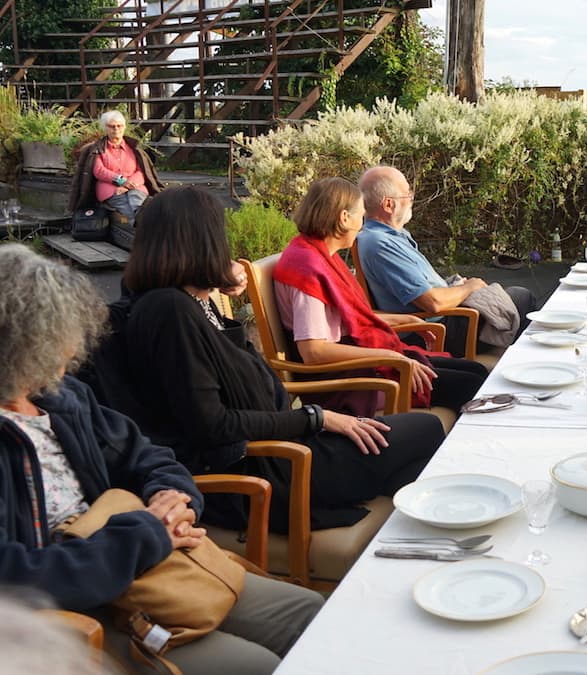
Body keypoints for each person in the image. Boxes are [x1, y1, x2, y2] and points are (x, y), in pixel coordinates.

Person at [0, 244, 322, 674]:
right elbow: (13, 576)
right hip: (74, 610)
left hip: (150, 564)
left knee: (309, 612)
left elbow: (148, 455)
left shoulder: (62, 399)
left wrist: (172, 497)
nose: (68, 352)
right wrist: (146, 534)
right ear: (20, 344)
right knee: (257, 665)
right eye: (56, 337)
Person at [109, 186, 443, 533]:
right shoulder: (170, 311)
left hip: (282, 445)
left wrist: (211, 287)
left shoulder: (183, 300)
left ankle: (392, 538)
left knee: (413, 462)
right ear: (203, 239)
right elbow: (214, 424)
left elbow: (224, 372)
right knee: (427, 432)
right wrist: (317, 418)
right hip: (272, 466)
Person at [274, 177, 487, 416]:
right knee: (472, 385)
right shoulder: (306, 269)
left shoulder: (319, 254)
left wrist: (403, 321)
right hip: (348, 377)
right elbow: (313, 352)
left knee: (476, 372)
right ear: (344, 218)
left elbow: (350, 319)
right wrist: (388, 355)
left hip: (360, 358)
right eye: (361, 217)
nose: (361, 226)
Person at [356, 165, 539, 357]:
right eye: (407, 194)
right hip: (436, 331)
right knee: (521, 297)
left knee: (511, 297)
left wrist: (458, 286)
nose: (412, 198)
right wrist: (470, 287)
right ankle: (522, 366)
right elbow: (433, 303)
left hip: (444, 318)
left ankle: (517, 363)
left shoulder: (392, 236)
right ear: (388, 205)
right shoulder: (380, 244)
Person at [67, 110, 164, 223]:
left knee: (137, 201)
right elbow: (99, 171)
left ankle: (142, 226)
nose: (116, 129)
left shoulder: (133, 148)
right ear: (105, 128)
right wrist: (122, 181)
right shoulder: (98, 148)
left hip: (134, 186)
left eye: (119, 126)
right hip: (110, 189)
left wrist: (127, 185)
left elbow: (141, 171)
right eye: (112, 126)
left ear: (124, 127)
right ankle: (146, 227)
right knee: (127, 206)